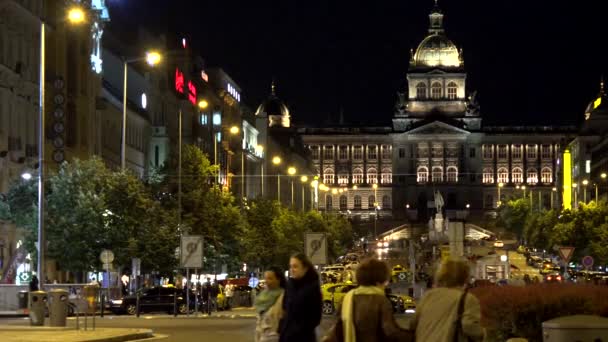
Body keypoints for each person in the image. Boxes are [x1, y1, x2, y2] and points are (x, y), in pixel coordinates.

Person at [323, 258, 412, 342]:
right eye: (385, 281)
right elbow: (391, 331)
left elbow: (338, 329)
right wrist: (414, 336)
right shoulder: (380, 300)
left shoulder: (347, 298)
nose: (386, 285)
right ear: (379, 280)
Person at [410, 258, 484, 342]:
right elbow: (469, 326)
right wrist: (485, 334)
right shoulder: (467, 299)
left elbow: (413, 324)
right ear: (465, 277)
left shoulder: (428, 296)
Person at [279, 253, 322, 342]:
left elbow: (315, 318)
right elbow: (284, 309)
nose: (292, 270)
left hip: (303, 338)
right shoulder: (290, 285)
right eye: (290, 267)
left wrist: (297, 331)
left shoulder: (312, 288)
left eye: (295, 266)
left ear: (305, 268)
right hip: (286, 337)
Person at [254, 267, 286, 342]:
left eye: (270, 278)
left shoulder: (284, 296)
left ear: (278, 280)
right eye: (266, 278)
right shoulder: (262, 296)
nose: (267, 281)